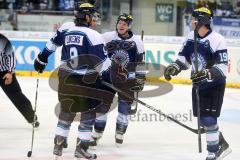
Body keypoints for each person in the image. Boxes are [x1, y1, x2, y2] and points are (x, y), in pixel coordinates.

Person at [34, 2, 119, 160]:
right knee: (88, 112)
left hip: (65, 76)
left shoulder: (67, 29)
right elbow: (102, 63)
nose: (94, 18)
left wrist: (42, 58)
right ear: (87, 16)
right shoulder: (93, 35)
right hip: (84, 80)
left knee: (67, 110)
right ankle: (81, 149)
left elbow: (52, 43)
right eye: (92, 15)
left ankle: (58, 145)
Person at [163, 7, 231, 160]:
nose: (191, 21)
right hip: (198, 85)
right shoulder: (190, 37)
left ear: (202, 21)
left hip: (214, 85)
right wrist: (175, 67)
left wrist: (206, 73)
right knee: (202, 120)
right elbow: (184, 60)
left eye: (194, 18)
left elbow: (222, 68)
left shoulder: (217, 39)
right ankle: (220, 141)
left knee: (208, 119)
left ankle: (214, 151)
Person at [89, 13, 146, 148]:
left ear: (129, 26)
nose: (121, 25)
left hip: (127, 80)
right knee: (102, 107)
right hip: (107, 78)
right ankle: (97, 133)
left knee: (124, 108)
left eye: (124, 24)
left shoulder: (137, 41)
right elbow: (95, 48)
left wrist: (140, 78)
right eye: (119, 23)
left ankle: (120, 132)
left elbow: (140, 62)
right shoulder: (107, 36)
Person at [0, 33, 40, 128]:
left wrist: (10, 72)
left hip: (5, 73)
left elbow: (11, 56)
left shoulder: (3, 40)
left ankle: (31, 117)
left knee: (16, 95)